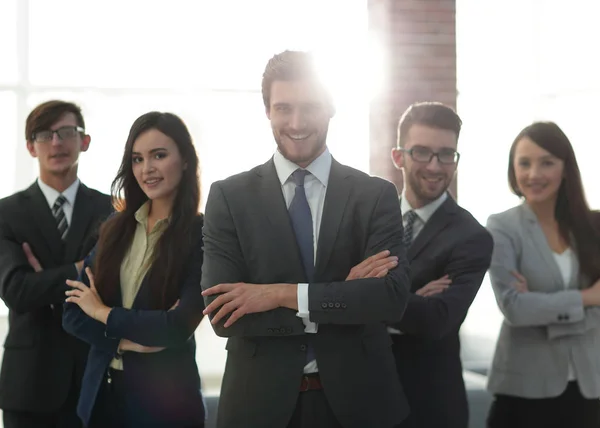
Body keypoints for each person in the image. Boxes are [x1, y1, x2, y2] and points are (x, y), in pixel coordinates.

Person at [201, 50, 410, 428]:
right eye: (284, 108)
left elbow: (390, 299)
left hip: (360, 405)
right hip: (258, 407)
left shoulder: (375, 195)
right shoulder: (229, 197)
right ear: (267, 111)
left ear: (330, 108)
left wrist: (277, 294)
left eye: (310, 107)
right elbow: (223, 314)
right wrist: (339, 298)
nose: (297, 122)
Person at [62, 112, 206, 427]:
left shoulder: (201, 234)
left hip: (166, 406)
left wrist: (101, 312)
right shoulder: (115, 227)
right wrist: (122, 342)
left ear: (184, 160)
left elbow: (176, 326)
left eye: (159, 155)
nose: (147, 169)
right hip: (101, 397)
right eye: (138, 159)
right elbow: (72, 311)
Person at [0, 100, 112, 428]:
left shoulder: (113, 212)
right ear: (30, 147)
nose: (56, 142)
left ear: (85, 141)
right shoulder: (6, 213)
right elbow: (16, 292)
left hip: (95, 378)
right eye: (44, 135)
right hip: (29, 385)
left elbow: (114, 287)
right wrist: (81, 267)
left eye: (66, 132)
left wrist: (44, 280)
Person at [486, 121, 600, 428]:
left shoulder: (592, 226)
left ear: (565, 169)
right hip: (525, 390)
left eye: (546, 162)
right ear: (513, 169)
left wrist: (541, 304)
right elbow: (514, 308)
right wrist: (587, 298)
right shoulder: (502, 227)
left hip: (590, 387)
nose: (533, 174)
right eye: (524, 163)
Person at [388, 102, 493, 428]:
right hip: (363, 401)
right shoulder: (370, 220)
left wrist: (364, 298)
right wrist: (414, 297)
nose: (435, 166)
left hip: (431, 408)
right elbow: (335, 296)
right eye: (421, 152)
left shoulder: (472, 237)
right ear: (399, 157)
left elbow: (438, 320)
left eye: (446, 154)